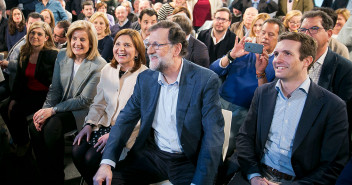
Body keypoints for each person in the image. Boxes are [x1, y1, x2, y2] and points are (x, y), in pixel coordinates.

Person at [93, 21, 224, 185]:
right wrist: (107, 162)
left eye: (156, 45)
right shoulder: (146, 78)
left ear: (176, 49)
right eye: (148, 44)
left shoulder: (205, 80)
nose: (149, 51)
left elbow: (213, 137)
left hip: (188, 160)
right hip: (152, 155)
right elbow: (125, 119)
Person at [232, 31, 349, 185]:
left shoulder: (333, 106)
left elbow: (332, 165)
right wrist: (254, 176)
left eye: (287, 54)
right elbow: (245, 138)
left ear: (306, 61)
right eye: (276, 53)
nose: (277, 60)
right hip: (257, 174)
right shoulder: (263, 93)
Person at [29, 20, 106, 185]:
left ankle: (56, 176)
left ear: (91, 42)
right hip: (61, 106)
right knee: (34, 127)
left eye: (83, 39)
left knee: (52, 126)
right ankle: (44, 171)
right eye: (74, 38)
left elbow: (84, 100)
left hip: (83, 111)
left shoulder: (99, 65)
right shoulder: (62, 55)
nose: (77, 43)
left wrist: (53, 111)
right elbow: (55, 89)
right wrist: (44, 111)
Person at [72, 29, 147, 185]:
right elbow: (99, 103)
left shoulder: (145, 76)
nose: (121, 49)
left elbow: (142, 116)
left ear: (137, 51)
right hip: (103, 125)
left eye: (127, 45)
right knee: (77, 151)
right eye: (117, 44)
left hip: (127, 132)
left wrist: (115, 134)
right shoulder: (108, 70)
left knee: (90, 157)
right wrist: (89, 124)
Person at [210, 18, 284, 158]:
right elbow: (213, 70)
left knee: (223, 150)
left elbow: (269, 96)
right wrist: (231, 55)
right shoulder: (243, 51)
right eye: (263, 32)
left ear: (279, 38)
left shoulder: (278, 62)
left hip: (246, 111)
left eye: (271, 34)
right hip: (220, 102)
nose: (265, 37)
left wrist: (260, 71)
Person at [1, 21, 58, 156]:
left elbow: (55, 84)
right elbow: (20, 79)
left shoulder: (52, 55)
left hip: (45, 95)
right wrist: (14, 98)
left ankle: (24, 143)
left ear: (46, 37)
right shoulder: (25, 52)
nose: (35, 36)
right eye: (32, 33)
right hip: (28, 92)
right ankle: (20, 139)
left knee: (15, 111)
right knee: (4, 107)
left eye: (39, 34)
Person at [298, 10, 352, 152]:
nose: (307, 34)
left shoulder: (344, 68)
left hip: (321, 141)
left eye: (314, 29)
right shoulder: (294, 61)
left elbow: (343, 114)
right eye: (303, 29)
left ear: (329, 34)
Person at [0, 12, 43, 92]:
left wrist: (8, 64)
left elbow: (28, 67)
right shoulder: (26, 37)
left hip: (15, 83)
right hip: (7, 74)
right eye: (31, 23)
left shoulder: (38, 44)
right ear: (26, 24)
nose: (33, 27)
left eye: (37, 24)